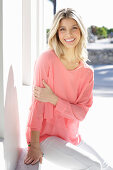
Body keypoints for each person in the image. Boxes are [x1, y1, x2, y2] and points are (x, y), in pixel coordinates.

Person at [24, 8, 113, 170]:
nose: (68, 34)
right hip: (45, 137)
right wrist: (33, 144)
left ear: (81, 31)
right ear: (56, 33)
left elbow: (80, 114)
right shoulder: (46, 60)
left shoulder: (87, 73)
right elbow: (36, 106)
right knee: (93, 166)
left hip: (70, 135)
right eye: (62, 29)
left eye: (74, 27)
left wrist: (54, 99)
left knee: (106, 166)